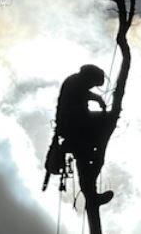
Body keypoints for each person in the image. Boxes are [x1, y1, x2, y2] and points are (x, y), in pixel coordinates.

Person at [48, 64, 114, 204]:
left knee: (84, 159)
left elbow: (85, 94)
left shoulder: (75, 82)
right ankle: (92, 196)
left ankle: (91, 195)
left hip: (76, 126)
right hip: (74, 127)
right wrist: (98, 99)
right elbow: (84, 94)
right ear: (88, 77)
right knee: (83, 158)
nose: (91, 87)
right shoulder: (75, 82)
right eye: (92, 84)